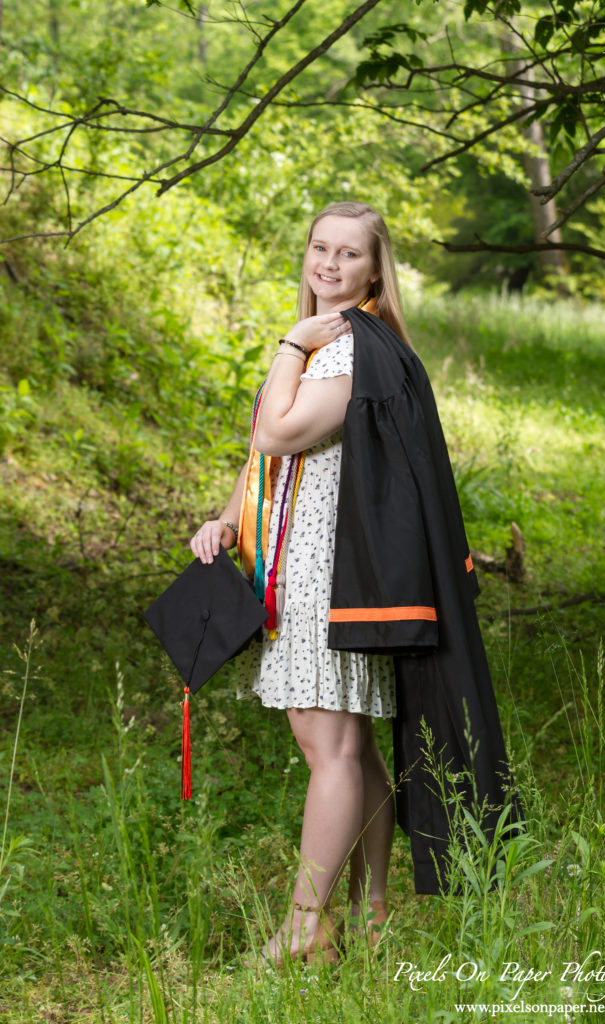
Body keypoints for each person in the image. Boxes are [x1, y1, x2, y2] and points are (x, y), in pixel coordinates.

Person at [190, 202, 403, 964]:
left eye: (348, 254)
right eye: (319, 247)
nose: (329, 264)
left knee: (332, 750)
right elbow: (274, 463)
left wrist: (290, 343)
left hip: (323, 568)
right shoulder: (333, 343)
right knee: (354, 745)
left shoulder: (339, 349)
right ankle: (369, 915)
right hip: (307, 555)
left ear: (374, 271)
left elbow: (277, 432)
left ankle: (305, 928)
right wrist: (227, 519)